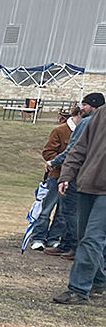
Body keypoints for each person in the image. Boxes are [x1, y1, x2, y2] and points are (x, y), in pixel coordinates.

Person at [52, 99, 106, 304]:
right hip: (87, 185)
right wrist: (66, 175)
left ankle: (79, 289)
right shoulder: (100, 114)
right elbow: (79, 148)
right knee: (83, 236)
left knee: (93, 237)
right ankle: (99, 281)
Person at [45, 93, 103, 258]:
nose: (81, 108)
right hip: (89, 176)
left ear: (94, 106)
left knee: (70, 211)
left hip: (78, 174)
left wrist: (54, 162)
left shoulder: (86, 123)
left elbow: (73, 150)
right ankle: (67, 245)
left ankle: (74, 246)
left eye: (84, 105)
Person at [27, 107, 81, 250]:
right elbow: (48, 152)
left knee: (63, 212)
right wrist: (60, 162)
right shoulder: (60, 131)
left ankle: (53, 238)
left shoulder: (84, 132)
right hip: (56, 176)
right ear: (78, 115)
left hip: (72, 178)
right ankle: (38, 237)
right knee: (46, 209)